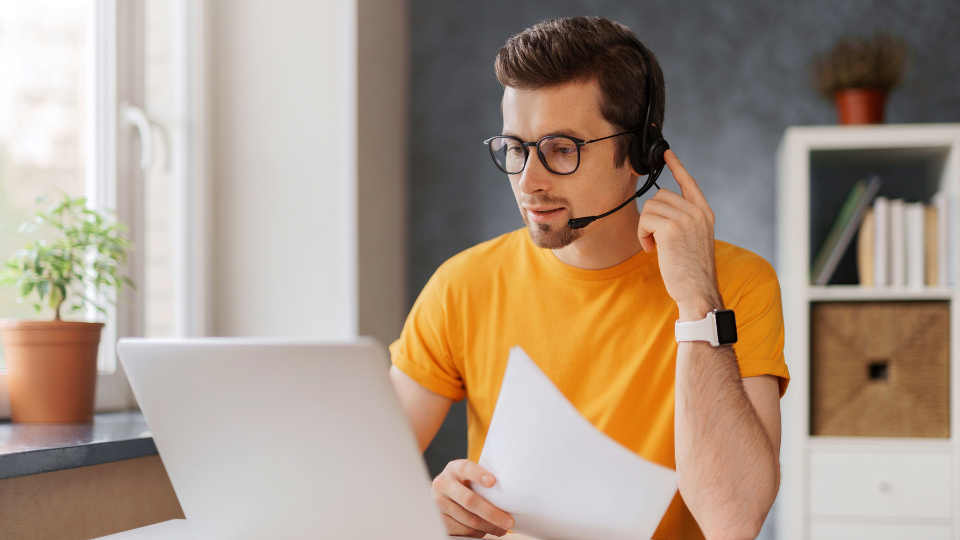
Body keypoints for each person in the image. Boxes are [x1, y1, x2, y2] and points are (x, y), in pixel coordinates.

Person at [389, 16, 788, 540]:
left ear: (640, 155)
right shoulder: (462, 284)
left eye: (561, 149)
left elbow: (733, 519)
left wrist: (696, 302)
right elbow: (359, 478)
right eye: (515, 148)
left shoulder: (735, 284)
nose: (529, 182)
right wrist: (430, 508)